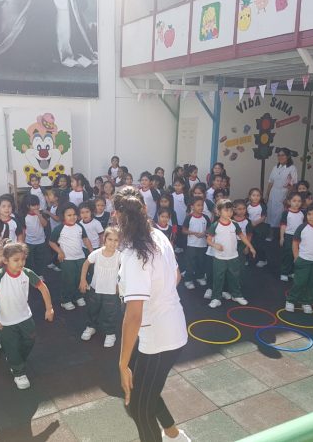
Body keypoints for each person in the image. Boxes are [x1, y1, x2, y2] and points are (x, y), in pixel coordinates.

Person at [115, 187, 190, 442]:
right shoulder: (158, 235)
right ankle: (174, 436)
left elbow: (133, 315)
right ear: (145, 209)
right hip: (168, 326)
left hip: (158, 338)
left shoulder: (136, 254)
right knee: (144, 391)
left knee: (138, 408)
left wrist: (122, 364)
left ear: (117, 216)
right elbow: (176, 276)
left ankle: (173, 436)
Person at [0, 243, 54, 390]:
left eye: (23, 259)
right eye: (16, 260)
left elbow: (43, 288)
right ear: (6, 260)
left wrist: (49, 308)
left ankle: (15, 359)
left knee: (30, 340)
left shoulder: (27, 273)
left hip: (24, 317)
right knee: (12, 346)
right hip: (6, 321)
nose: (20, 263)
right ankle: (19, 373)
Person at [206, 199, 256, 308]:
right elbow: (208, 239)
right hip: (219, 258)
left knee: (234, 276)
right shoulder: (215, 225)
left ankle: (236, 295)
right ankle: (216, 298)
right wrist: (214, 245)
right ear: (219, 211)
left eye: (231, 210)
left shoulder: (234, 224)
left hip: (233, 256)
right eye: (226, 210)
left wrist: (250, 247)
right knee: (218, 278)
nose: (229, 213)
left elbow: (242, 236)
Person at [79, 227, 121, 348]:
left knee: (110, 313)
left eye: (116, 240)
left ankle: (110, 333)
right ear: (104, 240)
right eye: (110, 239)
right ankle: (91, 327)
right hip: (95, 289)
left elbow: (125, 271)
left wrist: (120, 285)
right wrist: (83, 280)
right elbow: (86, 264)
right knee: (92, 309)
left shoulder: (120, 256)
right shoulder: (97, 253)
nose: (113, 243)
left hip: (112, 291)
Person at [49, 203, 93, 310]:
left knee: (80, 278)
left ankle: (79, 296)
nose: (72, 217)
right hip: (67, 259)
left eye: (74, 214)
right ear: (63, 216)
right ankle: (66, 300)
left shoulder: (79, 226)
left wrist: (92, 253)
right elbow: (51, 242)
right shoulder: (59, 229)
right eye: (69, 215)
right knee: (68, 280)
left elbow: (85, 239)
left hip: (80, 258)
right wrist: (59, 252)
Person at [265, 148, 298, 240]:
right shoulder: (275, 167)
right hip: (273, 193)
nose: (280, 157)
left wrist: (287, 198)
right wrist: (267, 194)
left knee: (280, 215)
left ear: (288, 156)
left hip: (284, 193)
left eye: (283, 155)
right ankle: (270, 234)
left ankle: (281, 235)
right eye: (279, 155)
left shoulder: (292, 168)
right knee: (271, 214)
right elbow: (270, 182)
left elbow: (293, 184)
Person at [182, 197, 211, 290]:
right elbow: (184, 230)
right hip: (191, 245)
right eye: (198, 205)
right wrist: (194, 233)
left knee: (201, 262)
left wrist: (204, 233)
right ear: (192, 207)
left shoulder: (205, 217)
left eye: (202, 205)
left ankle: (200, 277)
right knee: (190, 263)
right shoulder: (189, 217)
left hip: (203, 245)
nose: (201, 207)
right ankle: (188, 279)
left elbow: (209, 229)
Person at [20, 195, 48, 278]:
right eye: (33, 205)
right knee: (30, 260)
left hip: (41, 241)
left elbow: (45, 224)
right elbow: (23, 230)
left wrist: (39, 215)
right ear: (28, 206)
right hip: (29, 242)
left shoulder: (41, 214)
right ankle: (31, 276)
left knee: (40, 259)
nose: (36, 207)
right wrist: (23, 242)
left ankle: (40, 275)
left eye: (37, 205)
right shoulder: (24, 216)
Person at [279, 192, 305, 282]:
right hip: (289, 236)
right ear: (289, 202)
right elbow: (283, 225)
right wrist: (282, 237)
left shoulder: (302, 213)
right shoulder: (286, 213)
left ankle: (292, 271)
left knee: (297, 255)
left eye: (299, 201)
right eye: (294, 201)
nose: (297, 203)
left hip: (299, 237)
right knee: (288, 255)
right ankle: (284, 272)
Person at [247, 188, 269, 267]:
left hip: (260, 227)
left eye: (258, 195)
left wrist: (255, 222)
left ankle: (262, 259)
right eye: (253, 195)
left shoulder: (262, 206)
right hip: (249, 226)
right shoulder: (247, 206)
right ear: (250, 196)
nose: (256, 197)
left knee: (259, 244)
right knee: (249, 243)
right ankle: (249, 259)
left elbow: (263, 217)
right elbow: (246, 216)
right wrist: (250, 223)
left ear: (260, 197)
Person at [171, 177, 188, 253]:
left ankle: (182, 247)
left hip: (183, 219)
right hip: (174, 220)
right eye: (175, 185)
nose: (177, 187)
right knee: (175, 232)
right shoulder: (171, 195)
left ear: (183, 185)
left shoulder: (185, 196)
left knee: (182, 233)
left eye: (179, 185)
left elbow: (188, 208)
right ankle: (176, 245)